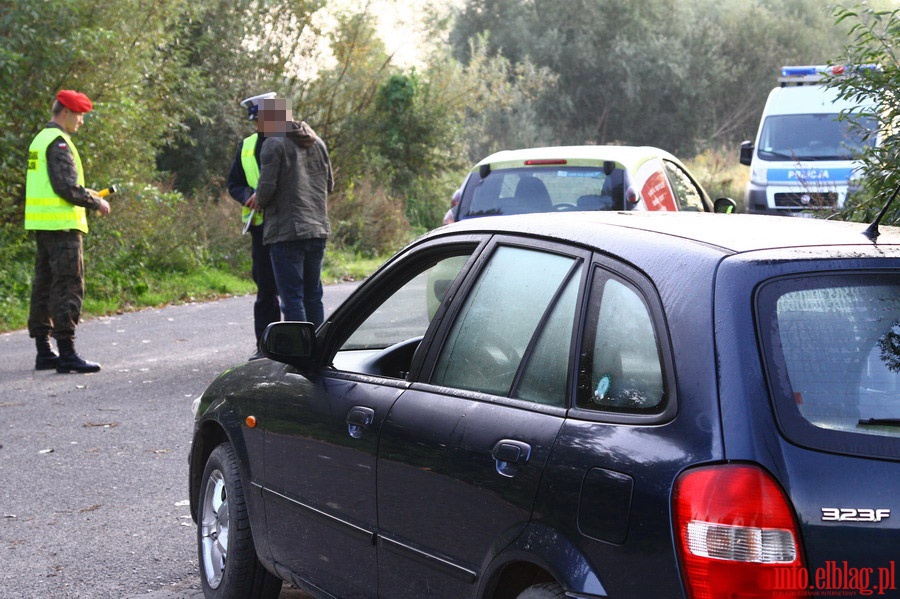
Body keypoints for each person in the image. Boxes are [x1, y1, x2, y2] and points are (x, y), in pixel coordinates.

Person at [25, 90, 111, 373]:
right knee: (68, 286)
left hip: (43, 224)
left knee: (44, 285)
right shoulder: (59, 143)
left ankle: (44, 351)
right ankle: (67, 353)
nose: (82, 122)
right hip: (63, 227)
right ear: (66, 112)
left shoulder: (41, 139)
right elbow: (65, 187)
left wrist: (85, 193)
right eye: (80, 115)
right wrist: (95, 201)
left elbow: (53, 185)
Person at [254, 97, 333, 327]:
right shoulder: (317, 142)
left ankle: (299, 354)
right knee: (313, 296)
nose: (259, 126)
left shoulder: (274, 143)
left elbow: (266, 190)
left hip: (287, 232)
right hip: (317, 228)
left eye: (260, 120)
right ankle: (318, 350)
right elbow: (329, 185)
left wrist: (258, 200)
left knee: (292, 299)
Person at [227, 92, 281, 360]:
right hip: (260, 228)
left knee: (294, 291)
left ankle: (298, 347)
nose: (260, 123)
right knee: (266, 290)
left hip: (286, 226)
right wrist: (247, 194)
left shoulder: (288, 140)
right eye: (258, 119)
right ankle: (266, 347)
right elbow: (233, 183)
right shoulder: (246, 145)